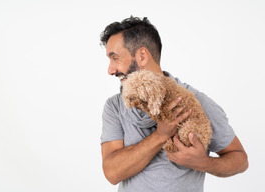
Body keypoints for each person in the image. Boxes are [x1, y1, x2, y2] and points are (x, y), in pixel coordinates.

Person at [100, 16, 248, 192]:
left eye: (115, 58)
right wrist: (161, 134)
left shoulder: (195, 101)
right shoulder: (115, 106)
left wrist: (205, 163)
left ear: (141, 56)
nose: (110, 70)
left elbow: (240, 160)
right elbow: (112, 173)